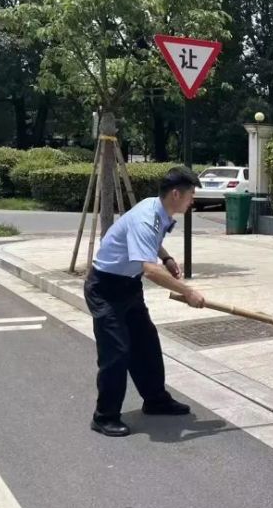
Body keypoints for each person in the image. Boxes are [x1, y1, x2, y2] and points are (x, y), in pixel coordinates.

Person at [84, 166, 207, 437]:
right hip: (105, 288)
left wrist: (166, 257)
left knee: (146, 343)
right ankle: (104, 416)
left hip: (128, 286)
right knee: (117, 351)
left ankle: (156, 400)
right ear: (176, 194)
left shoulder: (158, 209)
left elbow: (152, 245)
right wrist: (187, 292)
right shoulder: (145, 217)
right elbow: (149, 270)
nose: (192, 200)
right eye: (191, 195)